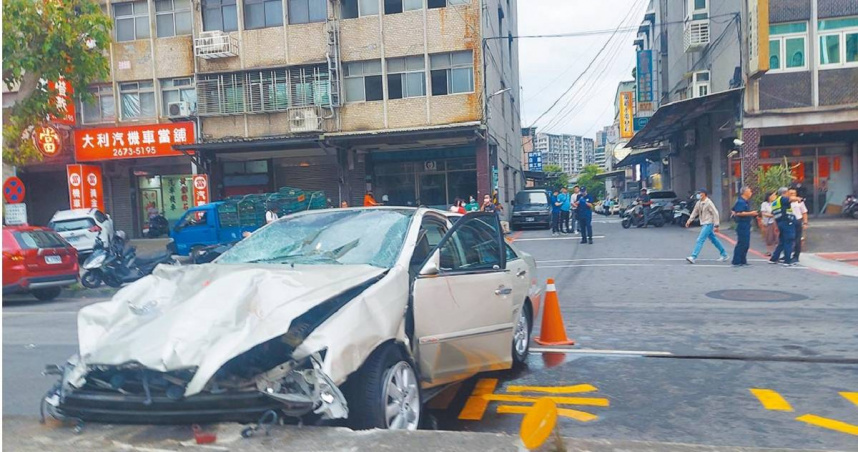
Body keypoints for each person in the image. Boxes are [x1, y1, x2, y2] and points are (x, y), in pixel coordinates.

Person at [685, 188, 729, 264]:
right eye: (699, 193)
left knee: (700, 239)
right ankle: (724, 254)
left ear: (705, 194)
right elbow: (694, 212)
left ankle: (693, 256)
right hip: (704, 223)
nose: (699, 195)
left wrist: (716, 225)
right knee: (714, 239)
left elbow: (715, 213)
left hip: (708, 223)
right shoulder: (698, 203)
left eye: (701, 193)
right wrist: (689, 220)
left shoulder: (709, 203)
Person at [730, 186, 758, 267]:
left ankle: (743, 260)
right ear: (744, 192)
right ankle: (736, 260)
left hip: (746, 224)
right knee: (742, 243)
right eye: (749, 191)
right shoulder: (740, 202)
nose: (751, 193)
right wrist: (751, 213)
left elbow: (733, 209)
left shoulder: (746, 202)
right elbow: (738, 212)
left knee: (746, 243)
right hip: (742, 224)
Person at [769, 187, 797, 266]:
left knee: (782, 242)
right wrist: (798, 199)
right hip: (787, 223)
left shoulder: (775, 202)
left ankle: (774, 258)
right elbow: (790, 200)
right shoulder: (783, 199)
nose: (789, 194)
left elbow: (773, 214)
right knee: (789, 241)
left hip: (780, 223)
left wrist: (776, 226)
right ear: (785, 192)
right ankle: (787, 260)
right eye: (788, 192)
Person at [789, 188, 809, 263]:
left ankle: (796, 256)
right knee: (788, 239)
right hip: (788, 222)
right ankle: (787, 254)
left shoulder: (799, 202)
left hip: (797, 221)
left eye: (794, 194)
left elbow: (804, 212)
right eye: (791, 194)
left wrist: (805, 222)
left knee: (797, 239)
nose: (792, 195)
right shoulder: (786, 202)